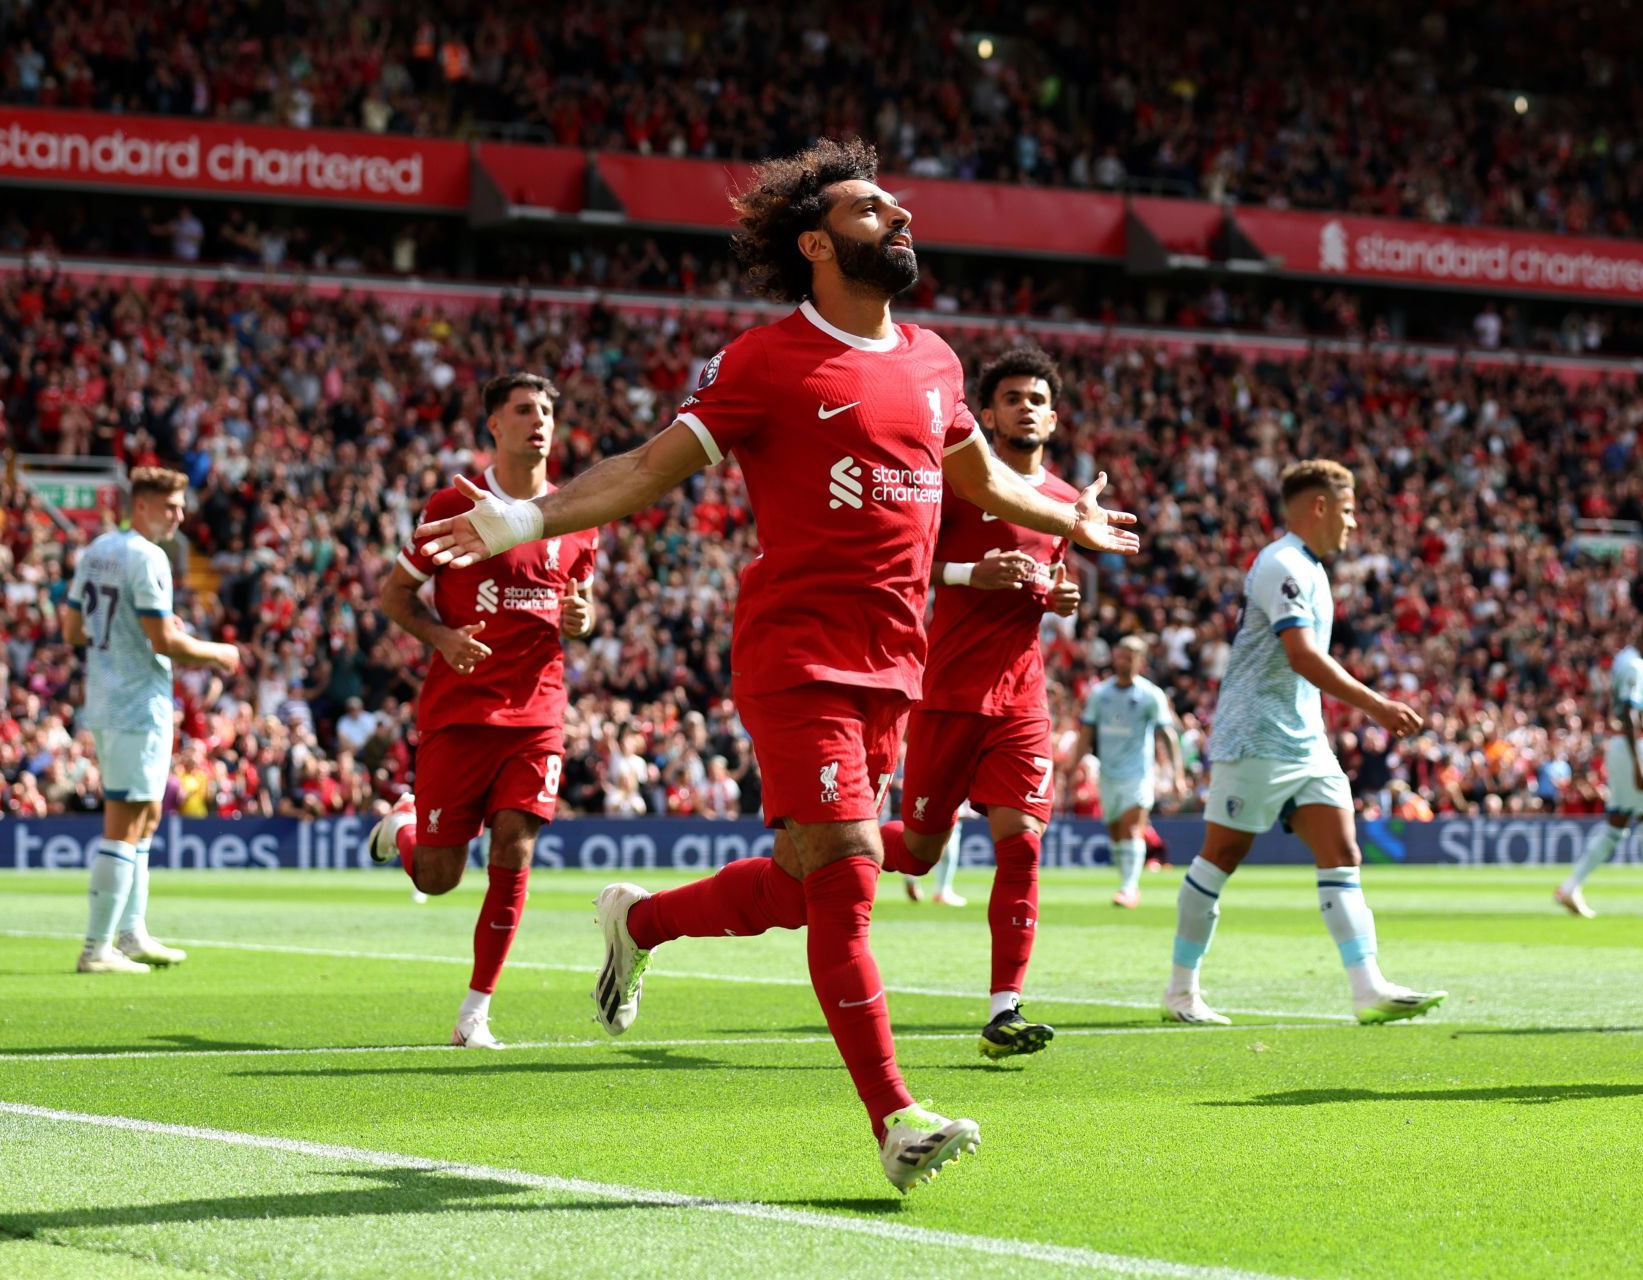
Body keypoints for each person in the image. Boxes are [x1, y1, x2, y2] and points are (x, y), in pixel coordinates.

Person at [410, 137, 1138, 1191]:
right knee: (849, 874)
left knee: (805, 883)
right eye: (872, 209)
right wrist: (525, 513)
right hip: (797, 656)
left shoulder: (936, 362)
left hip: (897, 663)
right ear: (817, 241)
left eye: (898, 207)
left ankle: (641, 918)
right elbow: (647, 468)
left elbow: (983, 477)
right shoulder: (763, 360)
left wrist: (1075, 512)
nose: (899, 219)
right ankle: (895, 1116)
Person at [1164, 460, 1446, 1026]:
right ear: (1318, 506)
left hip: (1305, 741)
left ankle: (1368, 988)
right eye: (1346, 510)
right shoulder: (1282, 564)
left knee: (1342, 853)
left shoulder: (1311, 569)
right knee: (1221, 857)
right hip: (1255, 736)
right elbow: (1301, 655)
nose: (1354, 523)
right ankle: (1180, 993)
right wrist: (1377, 705)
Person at [365, 372, 599, 1049]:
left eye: (548, 410)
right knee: (438, 878)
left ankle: (475, 1012)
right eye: (524, 410)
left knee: (516, 846)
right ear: (493, 426)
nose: (540, 420)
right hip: (461, 713)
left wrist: (582, 616)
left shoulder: (578, 509)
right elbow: (394, 596)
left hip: (538, 711)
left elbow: (578, 606)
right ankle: (403, 828)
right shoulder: (454, 502)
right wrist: (442, 637)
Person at [875, 343, 1084, 1058]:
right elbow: (910, 560)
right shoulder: (959, 482)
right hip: (948, 690)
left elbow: (1049, 586)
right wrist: (972, 572)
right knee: (922, 853)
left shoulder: (1063, 502)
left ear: (1052, 419)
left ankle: (1005, 1009)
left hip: (1022, 697)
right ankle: (832, 842)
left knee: (1021, 843)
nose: (1026, 407)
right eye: (1013, 398)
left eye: (1038, 399)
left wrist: (1061, 598)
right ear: (987, 414)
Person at [61, 467, 240, 974]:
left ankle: (132, 933)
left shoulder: (97, 549)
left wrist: (129, 633)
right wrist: (218, 653)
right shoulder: (148, 556)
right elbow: (164, 642)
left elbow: (73, 628)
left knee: (147, 816)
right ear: (141, 505)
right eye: (171, 507)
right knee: (125, 819)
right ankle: (97, 948)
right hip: (135, 704)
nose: (180, 516)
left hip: (109, 698)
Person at [1554, 613, 1643, 917]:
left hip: (1619, 745)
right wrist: (1639, 763)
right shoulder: (1635, 666)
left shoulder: (1629, 659)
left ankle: (1570, 886)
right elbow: (1630, 714)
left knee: (1617, 824)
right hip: (1635, 746)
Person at [1071, 636, 1183, 908]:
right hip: (1108, 773)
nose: (1123, 660)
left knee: (1132, 829)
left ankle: (1129, 888)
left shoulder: (1150, 694)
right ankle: (1126, 883)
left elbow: (1166, 734)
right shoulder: (1100, 694)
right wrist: (1073, 765)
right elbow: (1087, 731)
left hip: (1138, 774)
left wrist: (1177, 773)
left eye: (1130, 656)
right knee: (1115, 833)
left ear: (1140, 661)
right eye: (1120, 655)